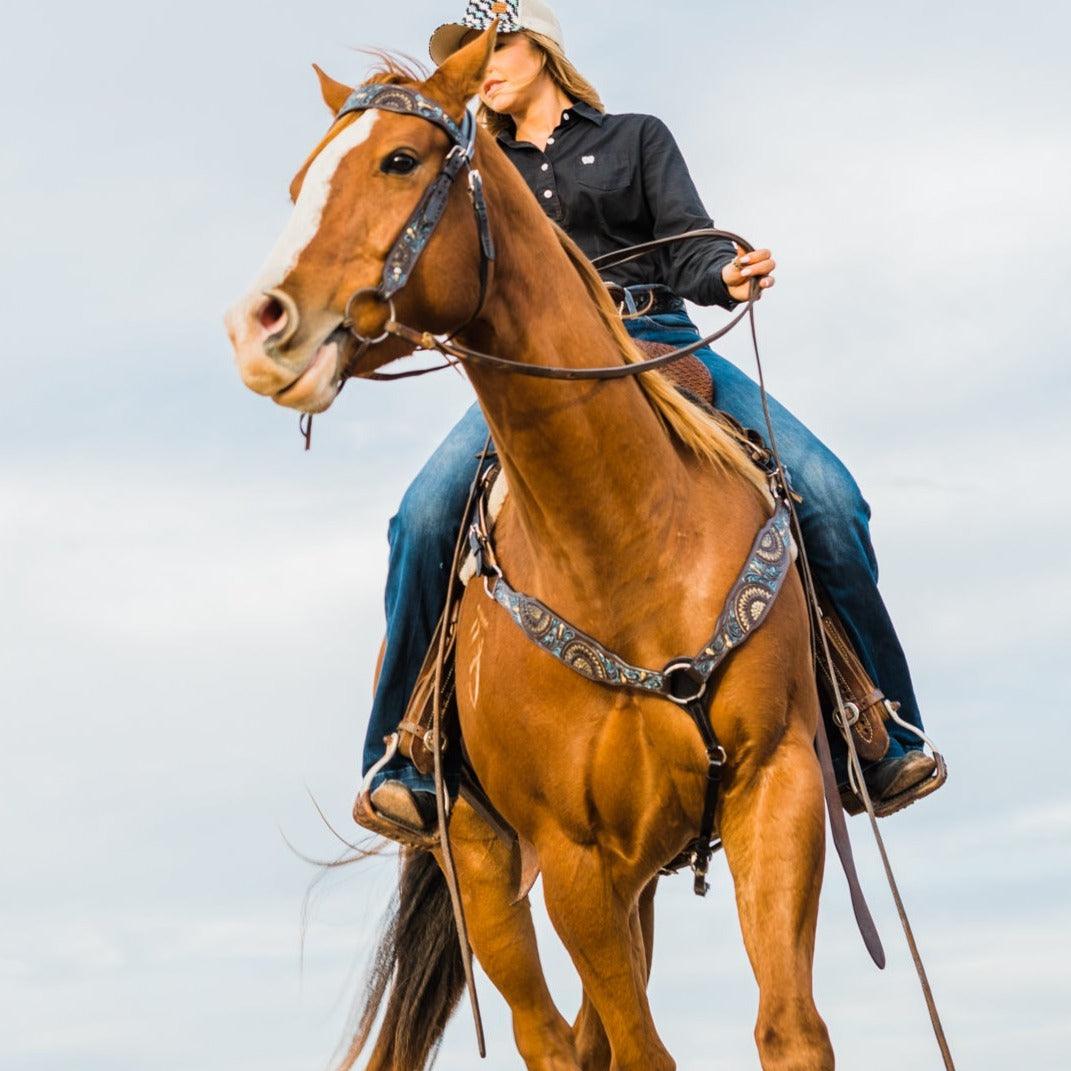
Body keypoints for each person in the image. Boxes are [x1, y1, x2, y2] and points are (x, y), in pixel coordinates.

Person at [361, 0, 939, 836]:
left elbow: (686, 243)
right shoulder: (476, 172)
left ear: (542, 49)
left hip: (659, 339)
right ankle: (404, 755)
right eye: (467, 55)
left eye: (495, 46)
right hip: (535, 376)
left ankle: (880, 728)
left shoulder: (636, 138)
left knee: (828, 492)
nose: (481, 67)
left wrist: (724, 272)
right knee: (420, 518)